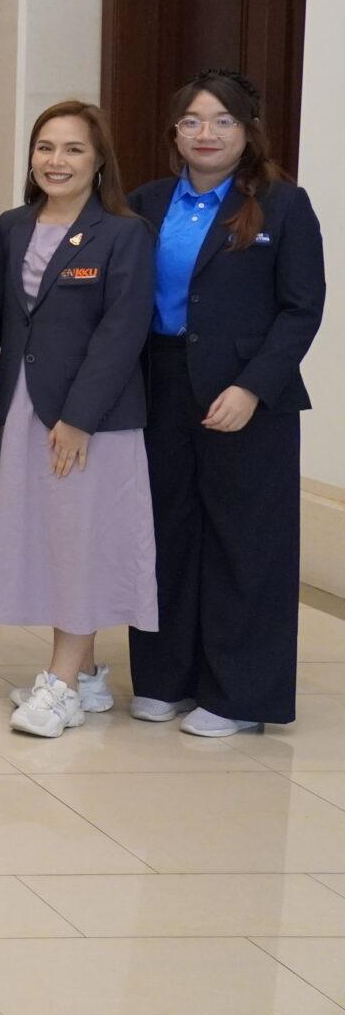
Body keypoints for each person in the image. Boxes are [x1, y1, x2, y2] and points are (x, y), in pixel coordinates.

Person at [128, 70, 325, 735]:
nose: (205, 133)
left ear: (247, 131)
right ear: (174, 131)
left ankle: (239, 698)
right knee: (166, 532)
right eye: (192, 120)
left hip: (246, 395)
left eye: (222, 121)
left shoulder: (282, 204)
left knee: (246, 544)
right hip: (159, 384)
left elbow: (301, 308)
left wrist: (252, 386)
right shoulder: (147, 202)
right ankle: (164, 678)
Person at [0, 100, 156, 740]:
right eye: (45, 147)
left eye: (73, 149)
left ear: (99, 160)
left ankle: (60, 683)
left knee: (82, 540)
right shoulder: (11, 226)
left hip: (92, 419)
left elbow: (122, 331)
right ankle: (85, 677)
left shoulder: (122, 232)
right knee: (50, 537)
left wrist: (80, 417)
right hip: (24, 405)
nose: (55, 161)